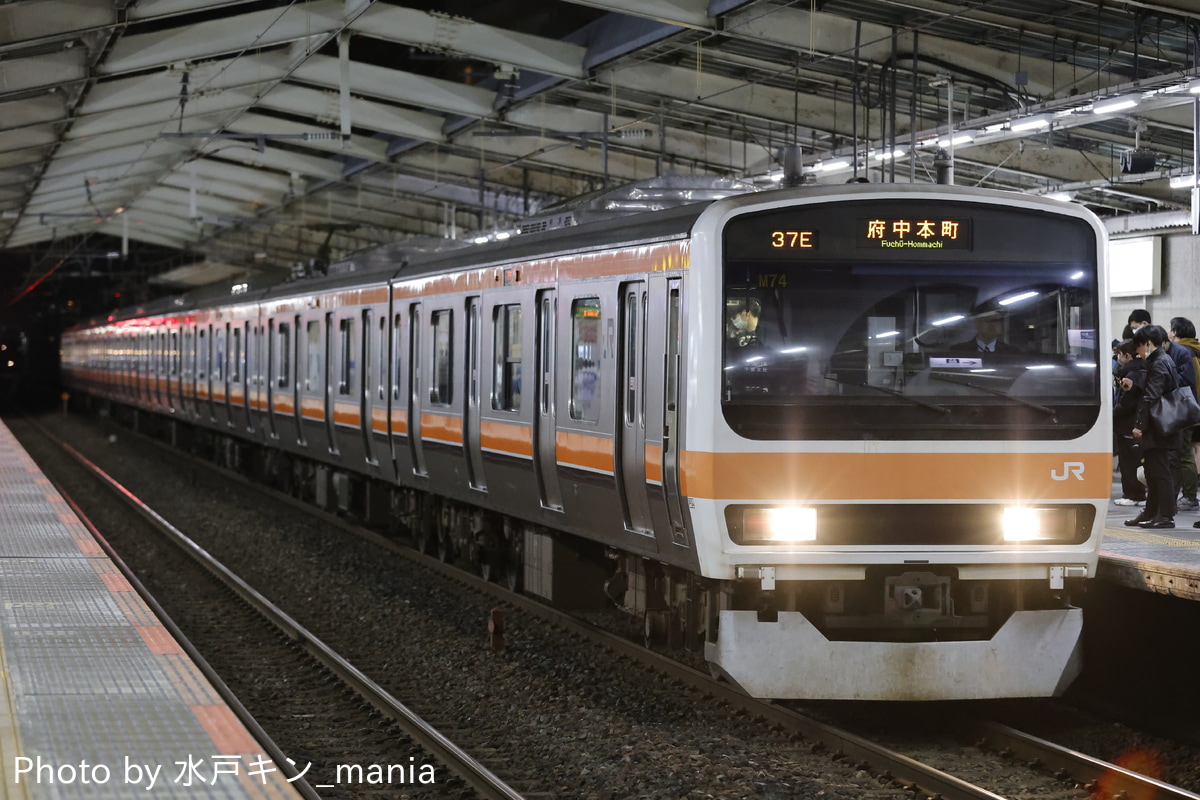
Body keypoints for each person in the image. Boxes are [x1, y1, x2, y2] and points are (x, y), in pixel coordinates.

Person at [1126, 324, 1183, 529]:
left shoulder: (1159, 363)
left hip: (1159, 428)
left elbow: (1152, 397)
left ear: (1149, 344)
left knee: (1159, 472)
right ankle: (1151, 512)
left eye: (1139, 347)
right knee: (1153, 471)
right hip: (1161, 426)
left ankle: (1165, 515)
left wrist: (1140, 425)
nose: (1137, 352)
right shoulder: (1162, 360)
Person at [1163, 319, 1198, 511]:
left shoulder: (1183, 352)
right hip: (1187, 408)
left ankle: (1190, 496)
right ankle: (1183, 495)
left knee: (1184, 454)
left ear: (1174, 332)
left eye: (1170, 328)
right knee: (1182, 453)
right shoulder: (1192, 350)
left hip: (1184, 409)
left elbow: (1187, 381)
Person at [1113, 339, 1146, 506]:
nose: (1118, 357)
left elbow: (1126, 403)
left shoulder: (1130, 374)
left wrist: (1112, 415)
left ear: (1127, 355)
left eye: (1119, 354)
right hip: (1138, 423)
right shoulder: (1143, 369)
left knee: (1127, 461)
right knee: (1136, 459)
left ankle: (1132, 494)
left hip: (1127, 424)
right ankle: (1139, 493)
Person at [951, 310, 1020, 353]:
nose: (992, 324)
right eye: (988, 320)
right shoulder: (958, 350)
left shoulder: (1012, 352)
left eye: (996, 321)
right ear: (977, 324)